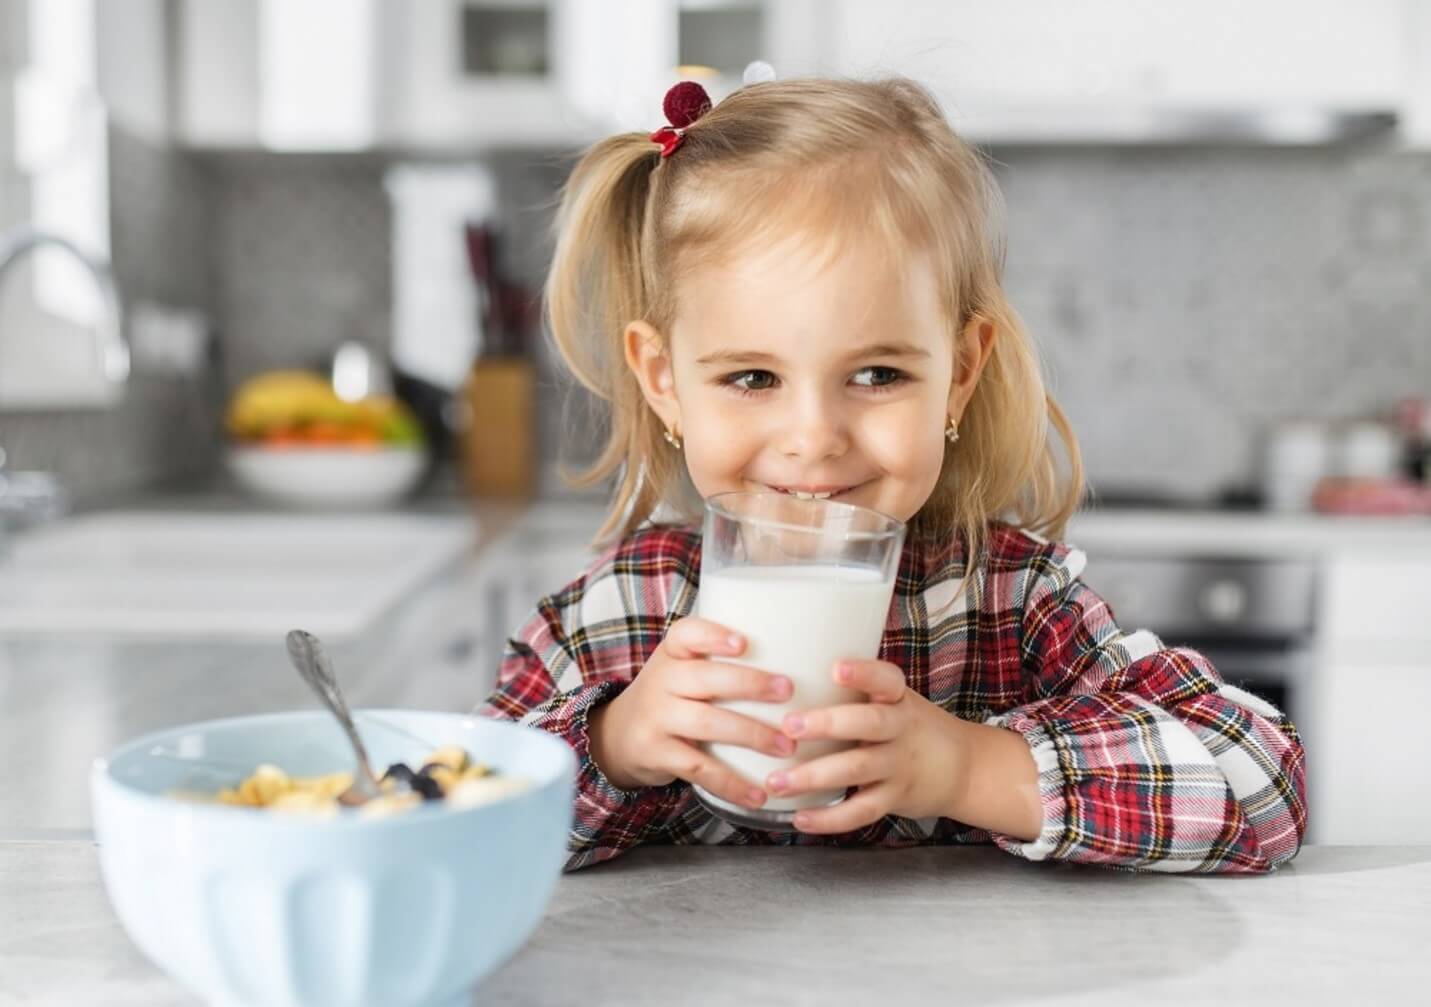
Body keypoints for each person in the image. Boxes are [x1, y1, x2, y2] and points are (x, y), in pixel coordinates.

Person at [476, 74, 1306, 874]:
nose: (812, 439)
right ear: (665, 383)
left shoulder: (1011, 600)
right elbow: (454, 808)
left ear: (958, 375)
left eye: (876, 375)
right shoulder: (622, 611)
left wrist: (967, 767)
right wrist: (614, 745)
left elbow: (1263, 785)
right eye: (752, 378)